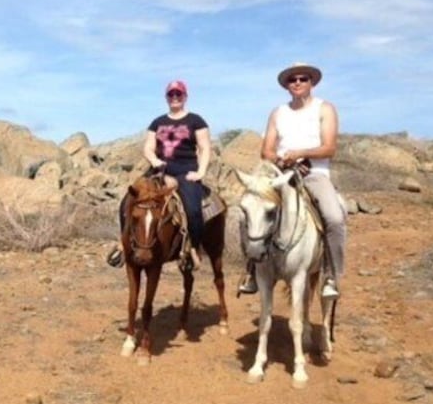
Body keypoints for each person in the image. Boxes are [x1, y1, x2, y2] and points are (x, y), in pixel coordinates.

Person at [237, 62, 346, 299]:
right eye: (293, 80)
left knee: (334, 218)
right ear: (287, 85)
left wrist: (300, 154)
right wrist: (279, 159)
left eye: (303, 79)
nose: (297, 82)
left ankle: (331, 276)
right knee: (248, 211)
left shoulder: (324, 109)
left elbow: (329, 147)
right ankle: (251, 270)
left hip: (314, 174)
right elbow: (266, 150)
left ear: (311, 82)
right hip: (280, 174)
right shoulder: (278, 113)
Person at [107, 79, 212, 270]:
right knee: (128, 200)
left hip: (185, 170)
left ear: (185, 97)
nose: (175, 98)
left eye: (178, 94)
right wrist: (154, 161)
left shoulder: (196, 121)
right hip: (159, 168)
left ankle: (192, 248)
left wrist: (200, 172)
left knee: (194, 210)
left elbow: (205, 148)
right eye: (171, 94)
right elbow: (148, 147)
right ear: (166, 98)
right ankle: (124, 244)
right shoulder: (158, 122)